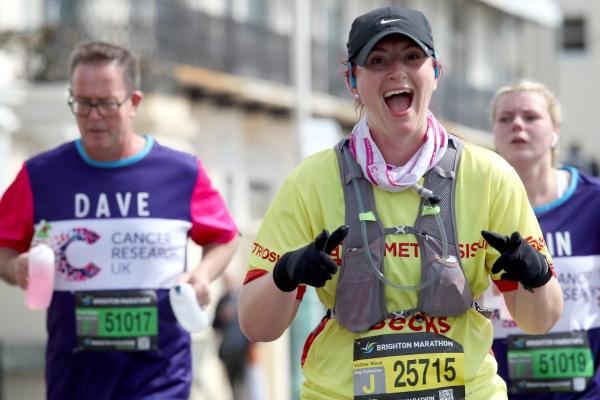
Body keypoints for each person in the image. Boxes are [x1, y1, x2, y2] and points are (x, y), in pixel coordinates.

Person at [238, 6, 562, 400]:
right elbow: (257, 327)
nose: (397, 71)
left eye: (412, 57)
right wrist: (285, 274)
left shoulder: (488, 176)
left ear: (436, 71)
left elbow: (541, 319)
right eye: (377, 60)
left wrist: (535, 274)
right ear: (352, 80)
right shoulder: (312, 181)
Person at [0, 41, 238, 400]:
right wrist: (16, 267)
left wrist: (202, 275)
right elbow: (3, 247)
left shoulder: (180, 172)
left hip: (159, 376)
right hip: (75, 378)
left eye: (106, 103)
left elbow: (225, 237)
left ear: (133, 103)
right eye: (82, 103)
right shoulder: (40, 176)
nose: (93, 115)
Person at [489, 80, 600, 399]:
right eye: (506, 118)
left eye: (531, 117)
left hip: (586, 390)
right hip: (502, 389)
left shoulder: (593, 202)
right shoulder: (477, 208)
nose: (517, 125)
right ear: (494, 133)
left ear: (555, 130)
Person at [213, 272, 251, 400]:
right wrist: (221, 317)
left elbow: (250, 324)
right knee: (231, 385)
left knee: (242, 384)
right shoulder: (221, 301)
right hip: (227, 351)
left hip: (241, 350)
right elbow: (214, 326)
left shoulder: (242, 299)